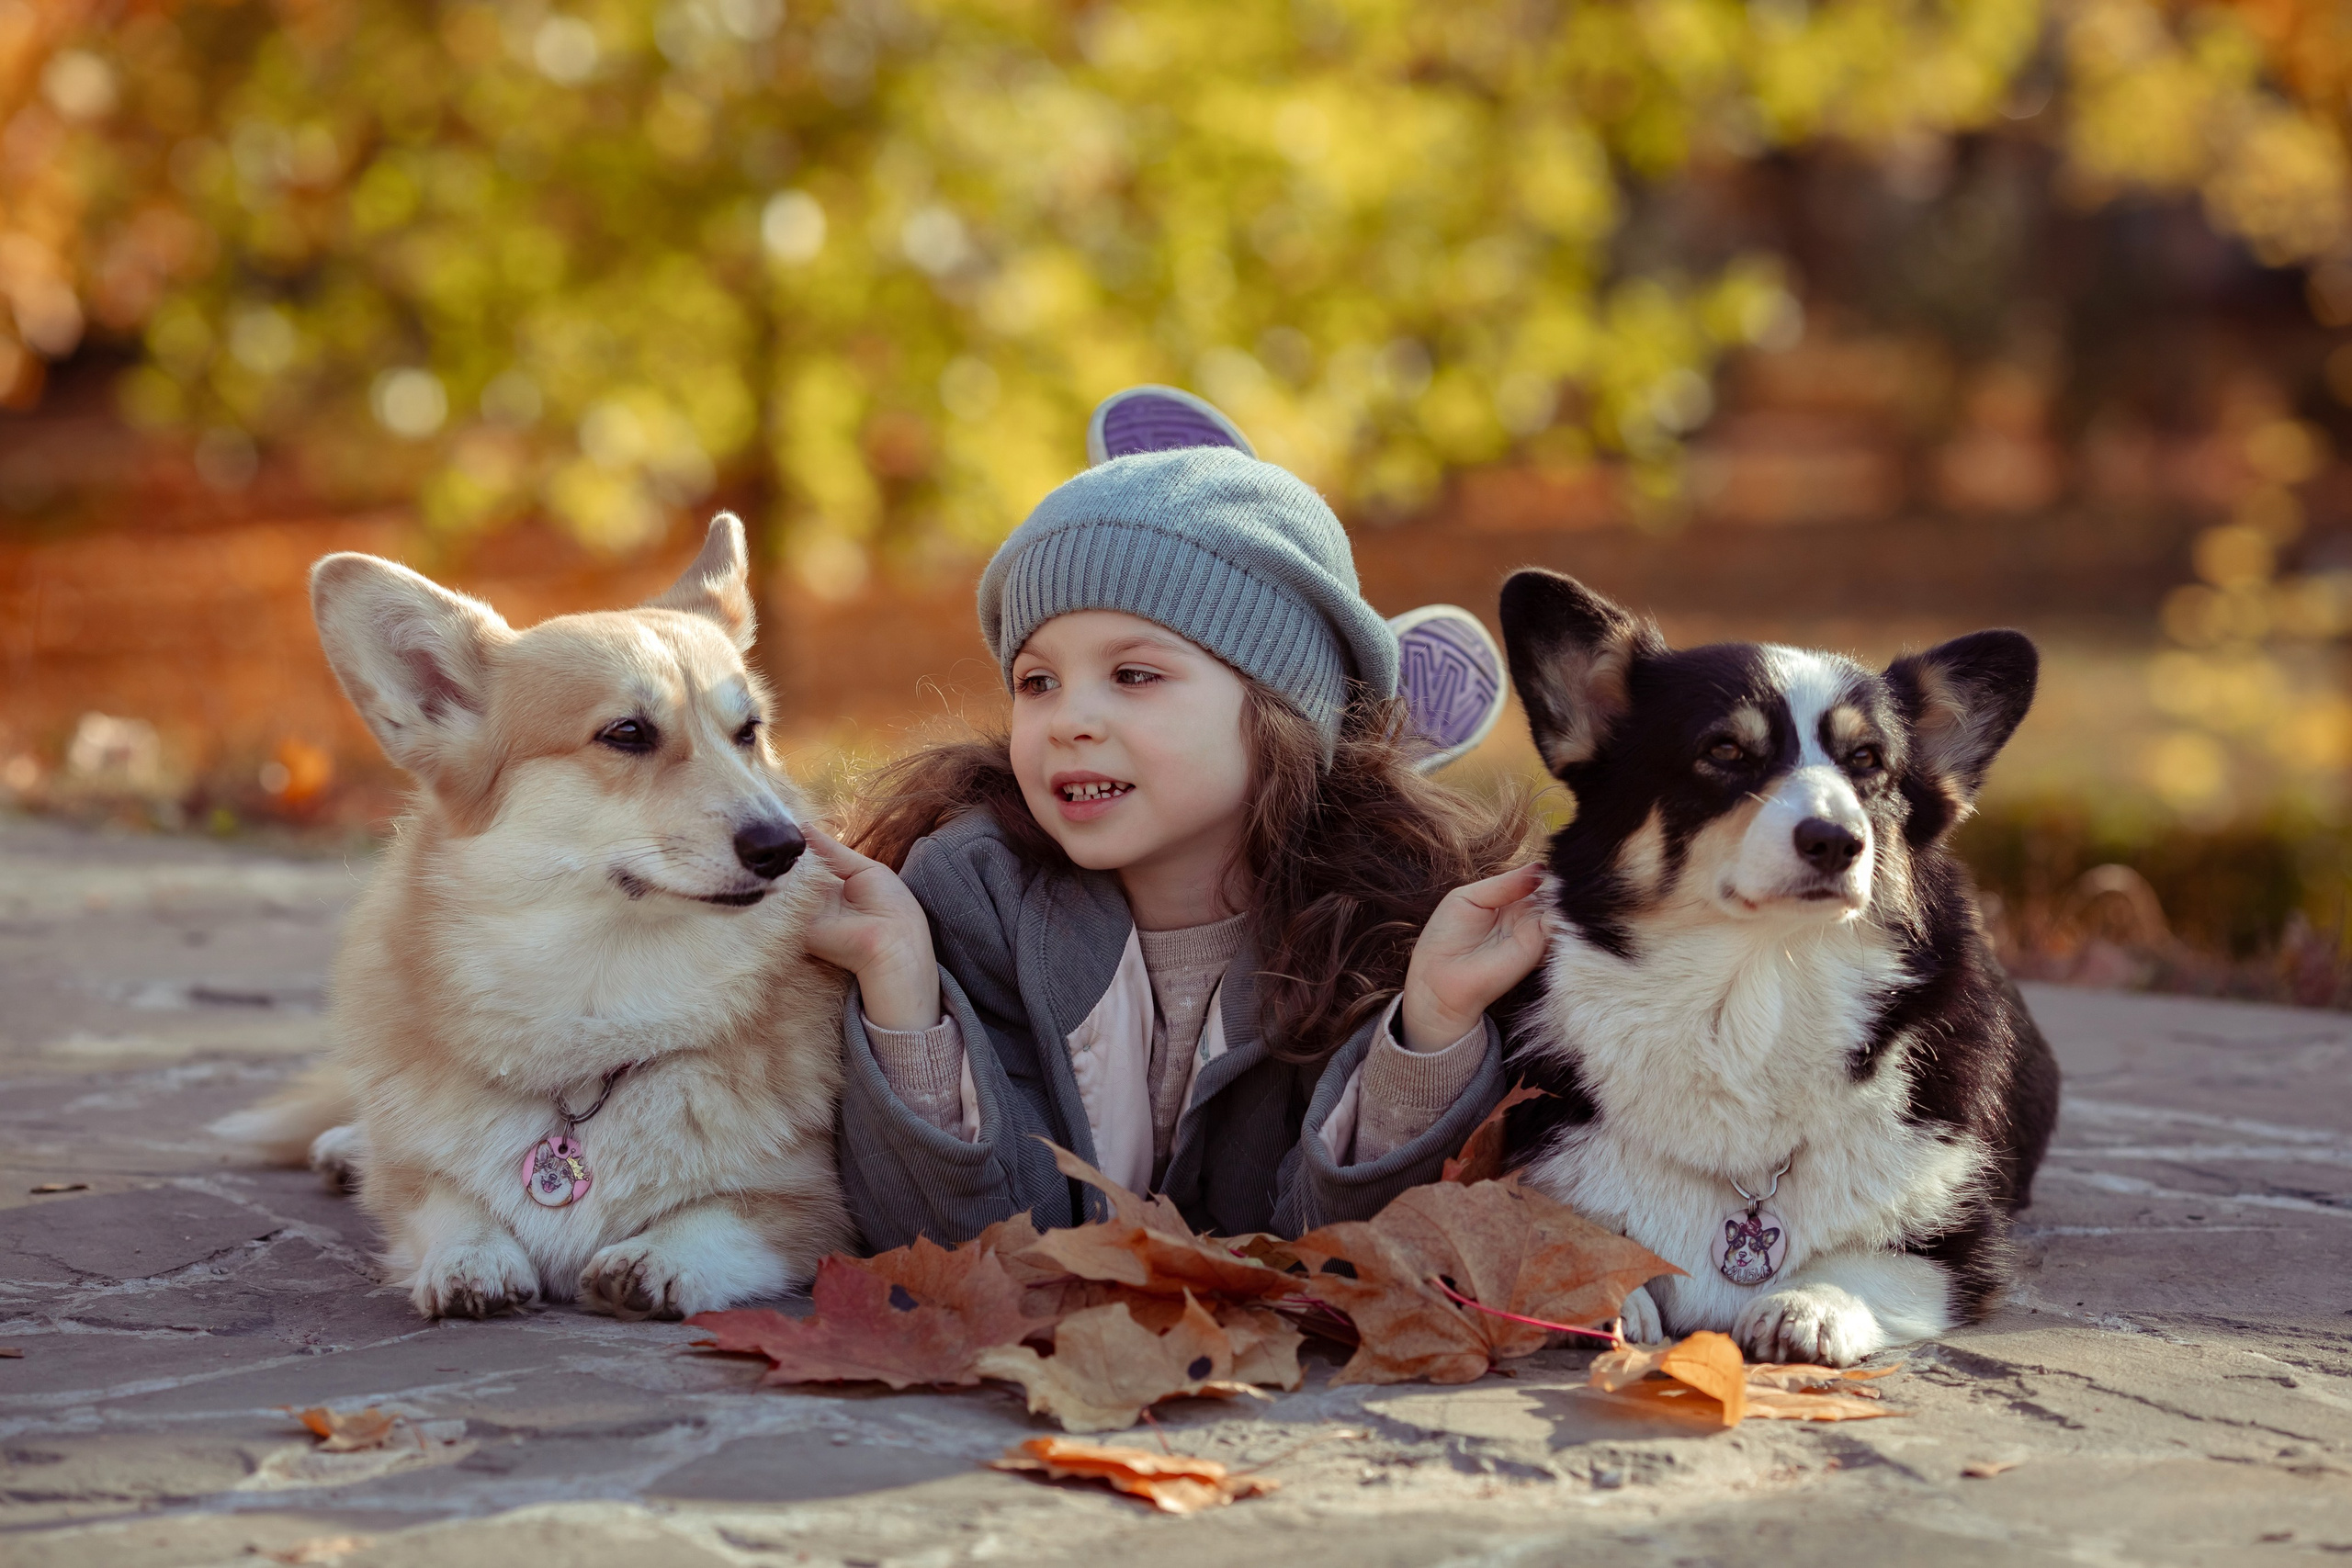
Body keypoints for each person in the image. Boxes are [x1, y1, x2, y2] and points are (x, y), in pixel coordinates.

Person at [804, 387, 1541, 1249]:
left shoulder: (1380, 921)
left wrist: (1432, 1026)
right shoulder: (972, 893)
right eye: (1037, 681)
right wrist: (904, 991)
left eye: (1135, 675)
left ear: (1278, 709)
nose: (1070, 718)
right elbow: (962, 1248)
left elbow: (1347, 1260)